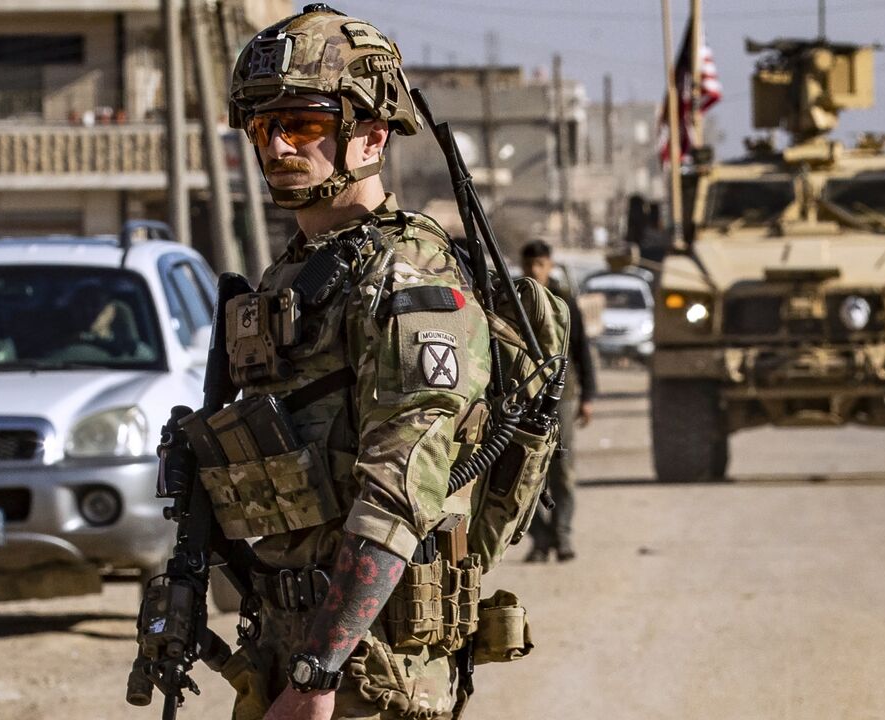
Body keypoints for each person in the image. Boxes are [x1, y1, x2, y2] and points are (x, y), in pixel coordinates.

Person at [204, 5, 494, 719]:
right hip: (286, 643)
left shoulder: (411, 286)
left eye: (299, 125)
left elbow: (401, 490)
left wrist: (318, 674)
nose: (276, 147)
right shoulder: (289, 277)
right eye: (262, 128)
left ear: (371, 132)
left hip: (369, 667)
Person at [519, 240, 596, 562]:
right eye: (530, 265)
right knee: (526, 470)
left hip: (562, 395)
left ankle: (563, 536)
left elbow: (581, 349)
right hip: (524, 396)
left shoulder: (564, 301)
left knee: (562, 468)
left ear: (549, 265)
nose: (535, 271)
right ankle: (539, 539)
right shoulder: (515, 298)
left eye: (541, 264)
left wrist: (588, 397)